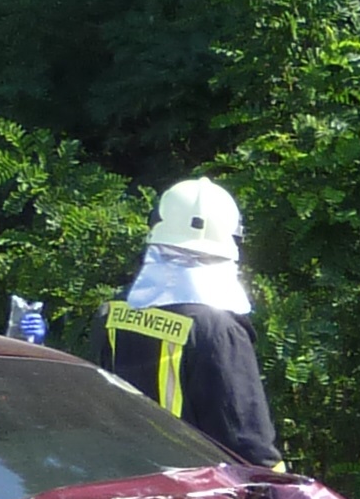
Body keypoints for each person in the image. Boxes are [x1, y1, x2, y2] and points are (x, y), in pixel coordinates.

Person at [104, 179, 281, 465]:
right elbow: (249, 442)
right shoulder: (220, 330)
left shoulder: (113, 313)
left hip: (119, 484)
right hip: (191, 498)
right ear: (230, 244)